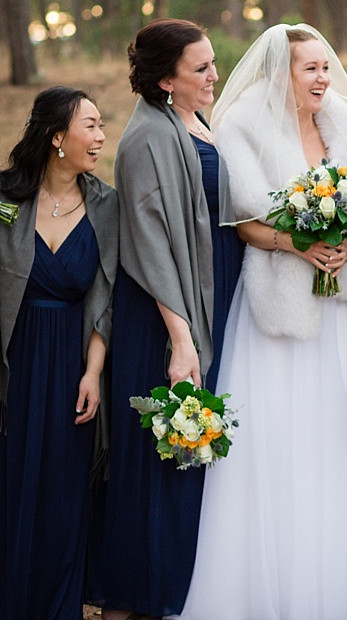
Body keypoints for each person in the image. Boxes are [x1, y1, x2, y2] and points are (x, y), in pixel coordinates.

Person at [179, 23, 347, 618]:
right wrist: (299, 245)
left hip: (343, 305)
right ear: (280, 73)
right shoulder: (241, 126)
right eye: (310, 68)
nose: (323, 77)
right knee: (282, 437)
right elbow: (243, 223)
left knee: (346, 435)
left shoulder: (343, 121)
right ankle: (272, 582)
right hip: (278, 307)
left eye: (325, 65)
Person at [91, 18, 238, 620]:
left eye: (211, 63)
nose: (213, 75)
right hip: (163, 313)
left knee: (190, 445)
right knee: (163, 448)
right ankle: (142, 595)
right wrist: (180, 339)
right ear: (163, 79)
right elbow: (148, 242)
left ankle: (178, 585)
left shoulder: (194, 121)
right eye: (200, 67)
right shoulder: (147, 137)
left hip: (206, 295)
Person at [0, 87, 118, 619]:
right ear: (56, 138)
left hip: (72, 363)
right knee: (12, 481)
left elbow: (106, 293)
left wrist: (93, 372)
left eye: (100, 125)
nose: (99, 137)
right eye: (89, 126)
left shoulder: (105, 206)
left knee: (64, 493)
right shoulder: (6, 200)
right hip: (15, 359)